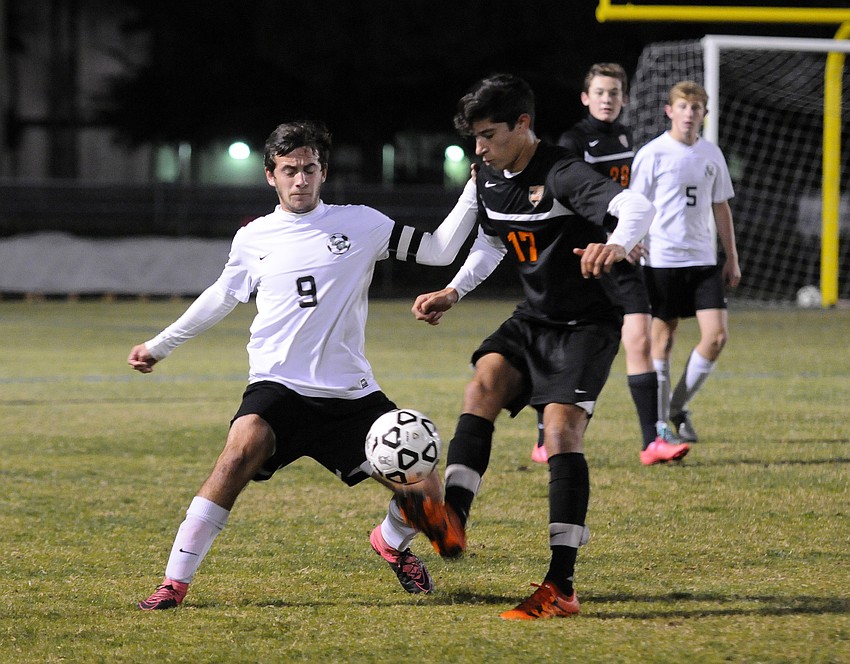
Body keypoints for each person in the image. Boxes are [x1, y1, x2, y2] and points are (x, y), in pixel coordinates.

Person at [128, 120, 475, 610]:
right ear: (271, 175)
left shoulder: (362, 224)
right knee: (237, 453)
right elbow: (220, 297)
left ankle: (390, 542)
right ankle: (174, 582)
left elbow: (438, 251)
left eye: (309, 169)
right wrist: (160, 345)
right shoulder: (254, 237)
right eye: (289, 170)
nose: (300, 180)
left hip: (351, 394)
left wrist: (473, 190)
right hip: (279, 387)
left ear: (323, 172)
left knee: (427, 490)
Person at [410, 74, 656, 620]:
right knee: (483, 385)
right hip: (535, 317)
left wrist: (617, 243)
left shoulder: (562, 171)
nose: (479, 148)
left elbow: (636, 206)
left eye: (488, 135)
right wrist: (453, 291)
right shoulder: (487, 177)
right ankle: (453, 519)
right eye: (474, 137)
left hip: (587, 324)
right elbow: (491, 242)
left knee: (561, 431)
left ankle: (561, 586)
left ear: (522, 124)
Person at [535, 62, 689, 467]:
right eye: (600, 93)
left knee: (639, 340)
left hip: (620, 254)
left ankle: (652, 441)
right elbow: (575, 200)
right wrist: (615, 237)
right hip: (583, 256)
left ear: (624, 98)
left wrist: (628, 238)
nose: (607, 99)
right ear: (586, 98)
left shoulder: (627, 137)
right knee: (567, 347)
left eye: (614, 93)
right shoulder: (572, 141)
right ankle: (543, 434)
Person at [630, 81, 741, 443]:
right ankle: (662, 425)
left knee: (717, 337)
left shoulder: (711, 154)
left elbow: (720, 206)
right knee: (662, 342)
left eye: (696, 108)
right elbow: (635, 206)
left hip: (703, 261)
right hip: (661, 260)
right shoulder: (652, 154)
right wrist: (631, 242)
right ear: (670, 111)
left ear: (705, 114)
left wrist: (731, 258)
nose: (689, 114)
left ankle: (676, 407)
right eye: (683, 107)